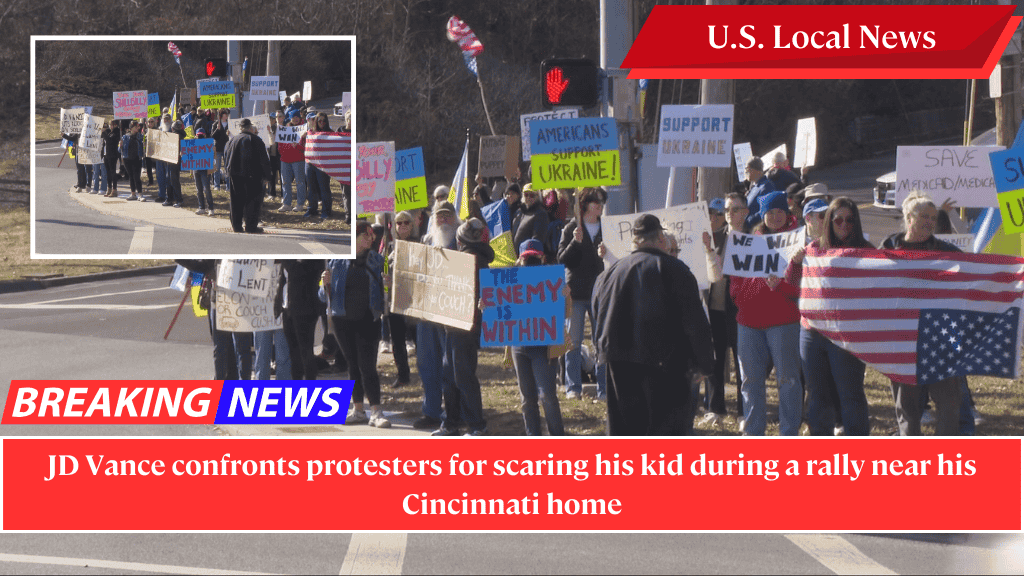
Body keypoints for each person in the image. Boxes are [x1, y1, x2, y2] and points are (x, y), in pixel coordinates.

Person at [592, 214, 715, 436]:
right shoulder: (676, 269)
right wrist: (704, 364)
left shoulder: (611, 272)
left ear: (634, 240)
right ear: (661, 238)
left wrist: (602, 352)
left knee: (626, 433)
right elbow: (695, 322)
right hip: (666, 367)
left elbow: (597, 313)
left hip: (619, 364)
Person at [880, 191, 965, 436]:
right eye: (924, 217)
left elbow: (970, 276)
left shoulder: (947, 251)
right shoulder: (887, 249)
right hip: (903, 338)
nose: (930, 222)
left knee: (948, 400)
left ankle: (946, 455)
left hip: (939, 337)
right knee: (908, 405)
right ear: (909, 217)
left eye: (932, 217)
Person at [787, 197, 873, 436]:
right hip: (812, 332)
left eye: (849, 219)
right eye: (838, 220)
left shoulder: (867, 251)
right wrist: (794, 263)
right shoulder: (813, 249)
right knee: (817, 393)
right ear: (829, 223)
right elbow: (794, 283)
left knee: (850, 393)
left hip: (846, 333)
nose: (844, 224)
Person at [730, 190, 803, 436]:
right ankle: (752, 433)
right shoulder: (751, 241)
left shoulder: (796, 244)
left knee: (788, 380)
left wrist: (780, 285)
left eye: (780, 211)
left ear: (787, 213)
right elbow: (736, 278)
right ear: (763, 215)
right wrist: (739, 296)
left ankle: (789, 433)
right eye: (770, 212)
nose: (775, 216)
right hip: (748, 322)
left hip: (783, 321)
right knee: (750, 381)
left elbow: (800, 287)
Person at [322, 222, 391, 428]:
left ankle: (376, 411)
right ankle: (358, 409)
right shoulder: (335, 262)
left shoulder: (379, 261)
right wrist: (324, 283)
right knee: (352, 366)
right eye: (366, 235)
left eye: (372, 235)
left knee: (367, 366)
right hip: (342, 321)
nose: (371, 238)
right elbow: (323, 296)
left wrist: (388, 285)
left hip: (368, 321)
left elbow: (387, 294)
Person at [435, 218, 494, 436]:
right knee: (450, 375)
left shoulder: (472, 259)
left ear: (460, 240)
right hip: (455, 324)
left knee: (462, 376)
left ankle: (476, 425)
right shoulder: (470, 257)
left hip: (465, 326)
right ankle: (452, 422)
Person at [509, 238, 565, 436]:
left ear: (542, 258)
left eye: (533, 259)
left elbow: (564, 312)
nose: (529, 263)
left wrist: (564, 295)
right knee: (527, 398)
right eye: (526, 259)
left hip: (544, 347)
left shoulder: (552, 282)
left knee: (547, 395)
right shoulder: (510, 281)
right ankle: (533, 438)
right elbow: (502, 312)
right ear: (520, 260)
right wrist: (487, 306)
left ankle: (557, 437)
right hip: (519, 346)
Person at [557, 187, 608, 401]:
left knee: (602, 343)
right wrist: (574, 243)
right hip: (576, 293)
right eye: (594, 200)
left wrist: (608, 253)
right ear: (584, 202)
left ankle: (604, 389)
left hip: (600, 292)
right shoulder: (571, 227)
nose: (599, 204)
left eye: (602, 201)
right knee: (573, 342)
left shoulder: (608, 229)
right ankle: (573, 388)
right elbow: (561, 258)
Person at [414, 201, 459, 430]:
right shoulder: (425, 241)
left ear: (454, 217)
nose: (443, 220)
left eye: (447, 216)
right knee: (427, 364)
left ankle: (453, 415)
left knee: (448, 366)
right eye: (439, 216)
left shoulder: (461, 241)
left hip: (450, 313)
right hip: (426, 312)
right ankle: (431, 411)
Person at [275, 259, 326, 380]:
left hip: (305, 309)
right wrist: (278, 302)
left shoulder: (314, 259)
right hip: (287, 309)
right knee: (293, 352)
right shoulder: (288, 259)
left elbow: (301, 272)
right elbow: (283, 279)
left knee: (306, 351)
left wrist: (288, 261)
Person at [386, 210, 418, 389]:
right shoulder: (389, 247)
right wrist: (385, 280)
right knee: (397, 341)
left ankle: (425, 371)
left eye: (407, 222)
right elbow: (384, 269)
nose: (403, 225)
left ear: (412, 226)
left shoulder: (419, 245)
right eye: (399, 223)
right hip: (394, 300)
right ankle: (403, 375)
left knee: (418, 340)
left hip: (414, 300)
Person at [223, 118, 271, 234]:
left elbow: (226, 157)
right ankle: (250, 226)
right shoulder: (255, 140)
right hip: (252, 175)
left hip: (235, 175)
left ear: (240, 128)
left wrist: (228, 172)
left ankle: (237, 226)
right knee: (252, 201)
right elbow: (264, 160)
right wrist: (267, 176)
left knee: (236, 201)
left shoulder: (232, 140)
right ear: (251, 128)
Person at [277, 113, 307, 212]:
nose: (295, 119)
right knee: (285, 182)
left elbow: (306, 148)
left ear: (300, 118)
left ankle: (300, 203)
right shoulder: (286, 128)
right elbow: (280, 143)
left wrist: (297, 146)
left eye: (297, 117)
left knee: (300, 182)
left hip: (298, 159)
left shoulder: (304, 130)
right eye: (293, 117)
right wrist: (281, 152)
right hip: (285, 159)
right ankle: (287, 203)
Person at [512, 183, 550, 257]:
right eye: (526, 195)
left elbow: (537, 240)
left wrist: (526, 258)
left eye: (532, 195)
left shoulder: (540, 214)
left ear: (537, 196)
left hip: (529, 259)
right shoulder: (520, 212)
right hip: (517, 258)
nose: (528, 198)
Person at [744, 157, 776, 229]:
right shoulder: (754, 186)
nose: (745, 172)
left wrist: (746, 221)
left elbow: (764, 211)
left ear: (756, 170)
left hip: (756, 230)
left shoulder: (767, 186)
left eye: (747, 169)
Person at [118, 120, 144, 201]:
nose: (137, 128)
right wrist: (120, 145)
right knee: (131, 177)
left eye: (138, 127)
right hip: (127, 159)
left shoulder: (140, 136)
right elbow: (119, 150)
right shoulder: (125, 137)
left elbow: (143, 145)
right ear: (131, 128)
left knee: (137, 177)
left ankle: (140, 194)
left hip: (137, 159)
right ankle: (133, 194)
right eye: (136, 127)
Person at [162, 120, 186, 207]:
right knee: (170, 179)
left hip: (174, 161)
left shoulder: (176, 136)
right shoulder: (178, 136)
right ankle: (170, 199)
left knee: (173, 180)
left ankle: (179, 200)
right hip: (171, 160)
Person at [193, 126, 215, 215]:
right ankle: (201, 207)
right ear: (196, 135)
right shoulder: (192, 145)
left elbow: (213, 157)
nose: (199, 137)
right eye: (198, 136)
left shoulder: (209, 145)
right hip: (196, 169)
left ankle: (211, 208)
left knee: (207, 189)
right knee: (199, 190)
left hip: (205, 170)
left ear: (204, 135)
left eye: (201, 135)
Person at [211, 110, 231, 191]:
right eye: (224, 115)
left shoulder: (230, 124)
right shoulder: (215, 124)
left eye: (227, 115)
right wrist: (217, 129)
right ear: (221, 116)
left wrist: (230, 133)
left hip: (227, 149)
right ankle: (217, 185)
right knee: (217, 168)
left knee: (227, 168)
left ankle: (228, 186)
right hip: (218, 149)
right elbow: (213, 136)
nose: (226, 116)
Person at [100, 119, 120, 198]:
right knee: (108, 172)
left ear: (115, 125)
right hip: (106, 154)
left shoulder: (116, 132)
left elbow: (109, 140)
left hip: (112, 155)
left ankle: (114, 189)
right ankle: (109, 188)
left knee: (112, 172)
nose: (110, 126)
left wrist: (103, 132)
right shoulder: (109, 131)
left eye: (111, 125)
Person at [265, 111, 282, 203]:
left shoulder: (279, 128)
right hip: (270, 155)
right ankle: (271, 193)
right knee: (271, 175)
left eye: (272, 119)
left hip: (279, 155)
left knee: (281, 175)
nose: (271, 120)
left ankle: (283, 194)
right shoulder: (264, 129)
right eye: (270, 119)